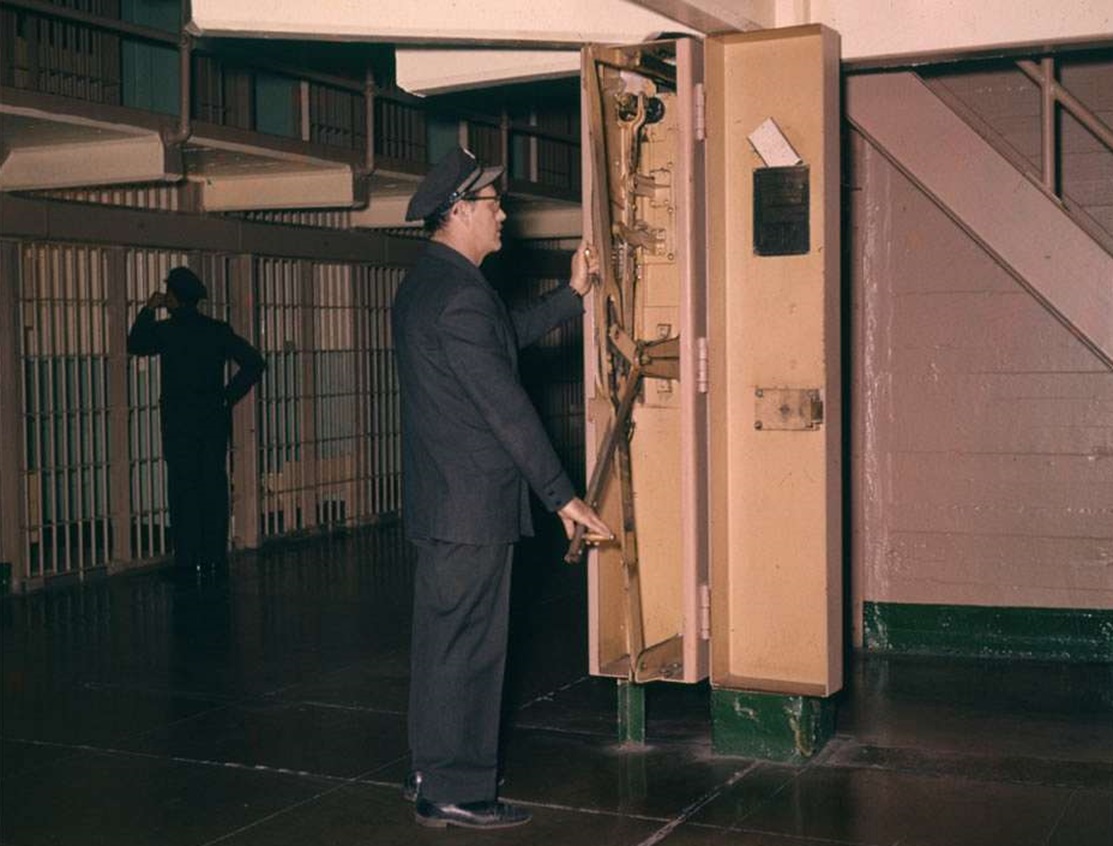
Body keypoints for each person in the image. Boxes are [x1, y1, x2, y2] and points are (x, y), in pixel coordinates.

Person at [393, 146, 612, 830]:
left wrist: (570, 297)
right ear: (458, 210)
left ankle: (432, 773)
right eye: (492, 205)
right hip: (472, 509)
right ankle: (458, 791)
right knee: (471, 651)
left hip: (442, 502)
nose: (503, 215)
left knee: (441, 646)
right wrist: (562, 495)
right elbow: (504, 404)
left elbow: (499, 340)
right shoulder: (460, 292)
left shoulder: (430, 283)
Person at [127, 266, 265, 576]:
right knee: (213, 485)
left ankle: (187, 557)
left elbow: (135, 344)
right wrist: (227, 396)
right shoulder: (217, 330)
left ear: (172, 298)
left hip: (178, 422)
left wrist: (149, 309)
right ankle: (215, 555)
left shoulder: (166, 331)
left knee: (182, 488)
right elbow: (254, 362)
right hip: (212, 418)